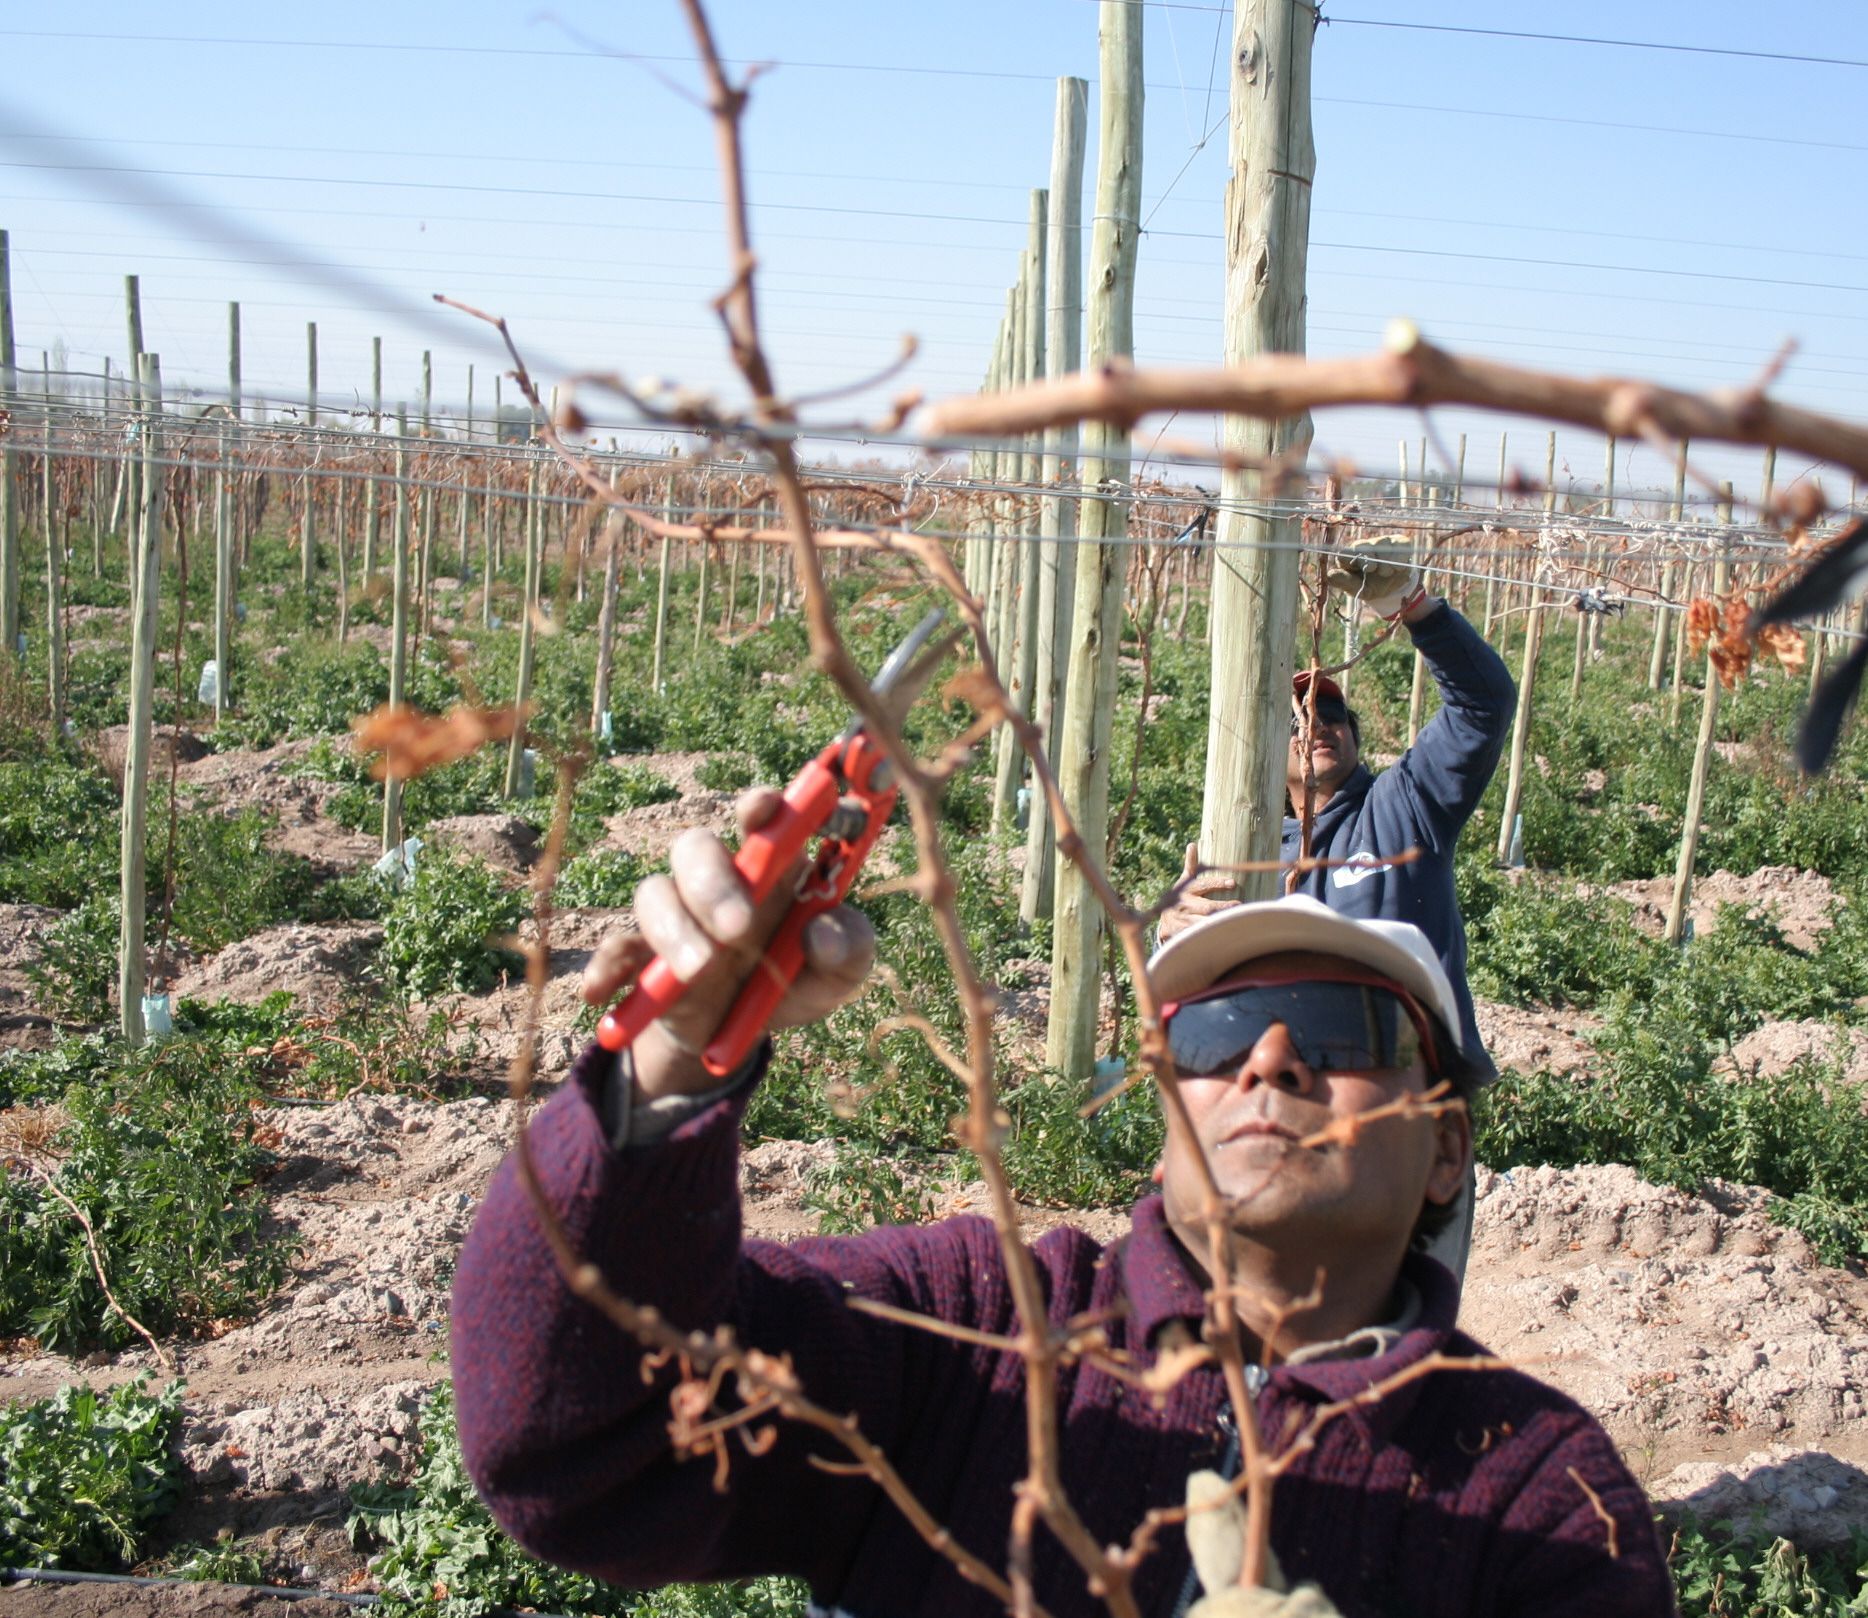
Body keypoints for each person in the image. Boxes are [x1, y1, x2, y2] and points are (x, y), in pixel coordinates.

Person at [450, 793, 1670, 1618]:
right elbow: (581, 1449)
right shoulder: (972, 1331)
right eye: (1215, 1033)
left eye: (1341, 1030)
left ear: (1446, 1147)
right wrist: (666, 1071)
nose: (1268, 1060)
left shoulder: (1539, 1497)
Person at [1172, 540, 1517, 1277]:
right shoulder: (1240, 850)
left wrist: (1413, 608)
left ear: (1357, 737)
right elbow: (1180, 1002)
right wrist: (1168, 934)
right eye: (1295, 718)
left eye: (1331, 713)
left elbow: (1483, 705)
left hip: (1399, 1092)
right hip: (1277, 1095)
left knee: (1405, 1299)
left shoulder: (1403, 806)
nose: (1316, 725)